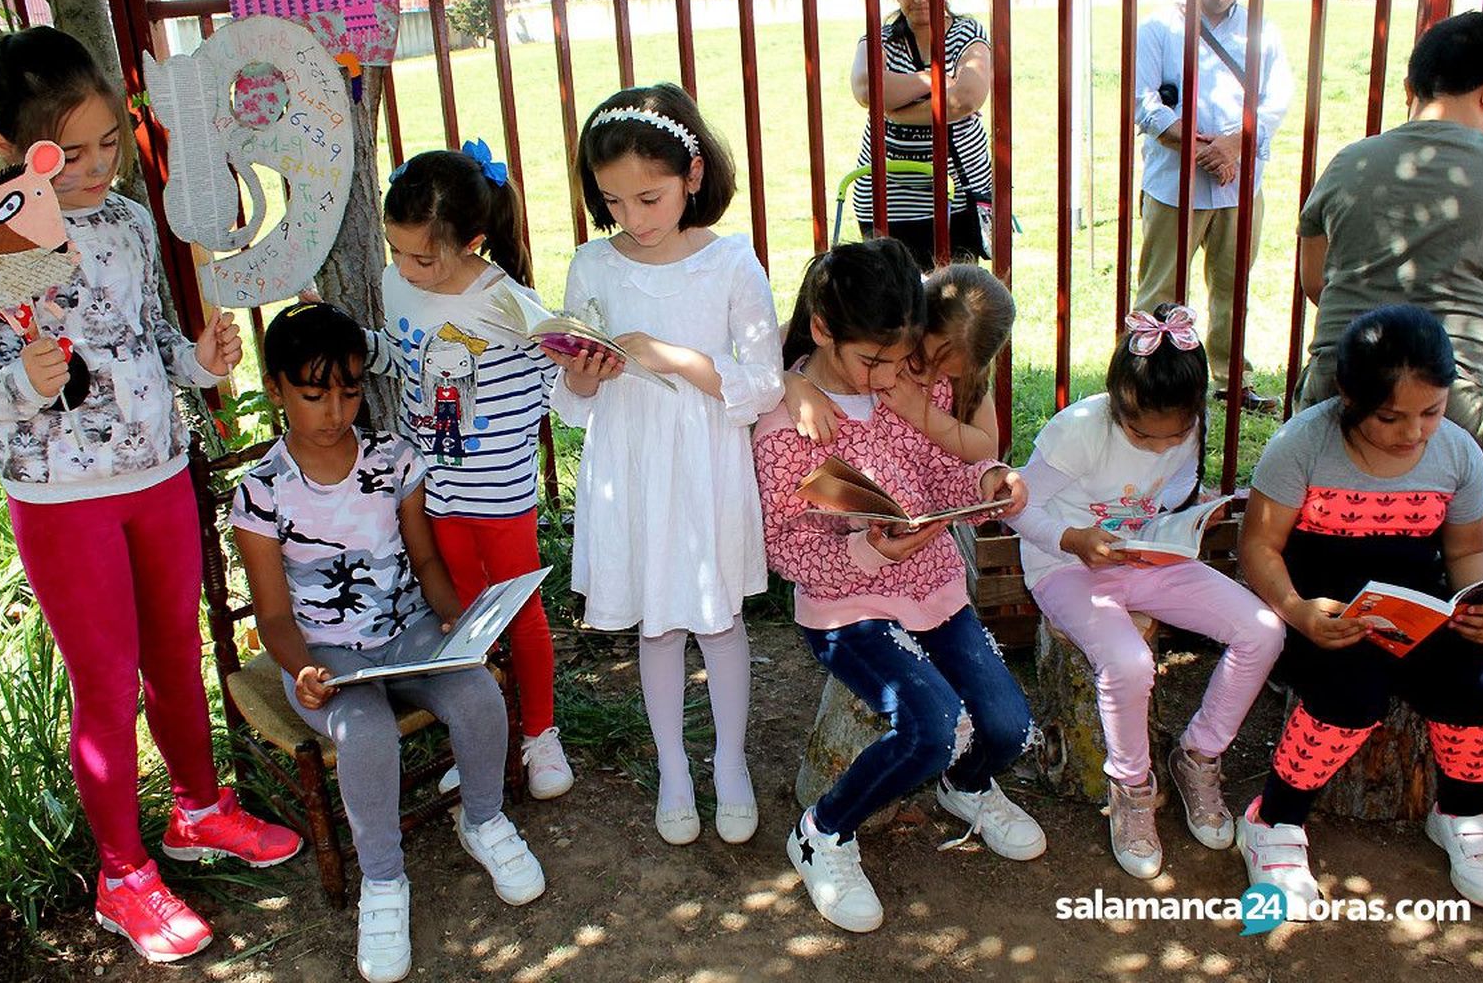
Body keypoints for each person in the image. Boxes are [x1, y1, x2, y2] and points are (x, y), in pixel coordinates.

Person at [0, 26, 301, 963]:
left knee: (176, 654)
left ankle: (198, 809)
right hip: (64, 502)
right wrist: (21, 377)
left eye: (110, 144)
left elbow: (146, 339)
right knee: (106, 684)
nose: (100, 166)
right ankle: (123, 874)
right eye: (76, 151)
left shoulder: (131, 224)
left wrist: (198, 359)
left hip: (157, 477)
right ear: (14, 154)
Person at [231, 303, 546, 983]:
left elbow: (428, 561)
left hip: (409, 632)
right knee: (365, 730)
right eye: (314, 394)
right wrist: (305, 669)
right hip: (324, 656)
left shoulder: (392, 458)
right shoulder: (261, 491)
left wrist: (459, 625)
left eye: (348, 390)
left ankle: (484, 819)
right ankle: (383, 880)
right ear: (277, 386)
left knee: (475, 692)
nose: (334, 410)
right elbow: (276, 615)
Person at [754, 238, 1039, 934]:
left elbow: (940, 471)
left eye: (898, 355)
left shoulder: (905, 384)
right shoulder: (785, 423)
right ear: (823, 329)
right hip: (846, 610)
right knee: (932, 723)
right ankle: (822, 830)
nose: (887, 376)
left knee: (1008, 724)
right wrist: (871, 548)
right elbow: (786, 548)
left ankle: (966, 788)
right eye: (872, 361)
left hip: (934, 589)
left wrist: (985, 482)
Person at [552, 83, 783, 846]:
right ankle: (675, 767)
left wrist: (672, 356)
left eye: (648, 197)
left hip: (706, 460)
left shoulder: (730, 261)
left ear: (690, 174)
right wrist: (586, 369)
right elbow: (572, 395)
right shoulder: (593, 263)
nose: (634, 219)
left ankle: (730, 762)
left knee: (718, 620)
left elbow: (763, 379)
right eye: (614, 202)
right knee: (658, 623)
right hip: (632, 465)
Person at [1238, 305, 1483, 918]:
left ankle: (1462, 813)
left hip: (1416, 612)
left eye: (1432, 412)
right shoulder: (1303, 444)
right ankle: (1274, 819)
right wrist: (1295, 609)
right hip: (1323, 614)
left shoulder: (1458, 455)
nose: (1414, 433)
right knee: (1350, 693)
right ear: (1348, 396)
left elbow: (1469, 550)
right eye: (1391, 416)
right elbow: (1257, 547)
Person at [1009, 304, 1283, 879]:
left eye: (1176, 434)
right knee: (1129, 664)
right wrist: (1073, 537)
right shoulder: (1078, 430)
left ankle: (1198, 755)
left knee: (1263, 631)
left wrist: (1179, 521)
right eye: (1141, 434)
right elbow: (1017, 507)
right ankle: (1131, 787)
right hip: (1064, 565)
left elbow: (1175, 486)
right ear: (1116, 400)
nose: (1161, 446)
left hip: (1144, 556)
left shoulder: (1188, 427)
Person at [365, 143, 570, 800]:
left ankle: (540, 732)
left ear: (473, 241)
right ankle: (485, 733)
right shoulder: (401, 282)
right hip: (437, 490)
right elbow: (403, 358)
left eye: (423, 257)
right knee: (459, 613)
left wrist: (586, 369)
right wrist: (357, 346)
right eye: (396, 251)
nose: (405, 268)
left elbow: (562, 382)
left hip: (502, 495)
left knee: (518, 612)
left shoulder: (509, 303)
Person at [1296, 10, 1483, 452]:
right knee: (1443, 513)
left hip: (1341, 377)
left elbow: (1316, 282)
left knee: (1321, 510)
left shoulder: (1349, 162)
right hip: (1450, 396)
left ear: (1411, 87)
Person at [1133, 0, 1292, 414]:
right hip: (1173, 183)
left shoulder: (1262, 30)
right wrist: (1207, 149)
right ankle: (1147, 379)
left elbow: (1275, 101)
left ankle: (1230, 379)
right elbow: (1144, 104)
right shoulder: (1158, 28)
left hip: (1240, 182)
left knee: (1232, 285)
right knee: (1161, 288)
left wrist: (1234, 145)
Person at [783, 262, 1014, 461]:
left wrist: (917, 410)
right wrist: (793, 383)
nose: (930, 376)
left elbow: (987, 450)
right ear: (913, 322)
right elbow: (767, 351)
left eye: (952, 374)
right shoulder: (885, 312)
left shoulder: (969, 342)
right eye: (923, 357)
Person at [850, 0, 994, 269]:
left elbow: (967, 97)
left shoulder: (968, 32)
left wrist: (897, 112)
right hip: (888, 199)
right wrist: (934, 79)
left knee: (955, 303)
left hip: (958, 192)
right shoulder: (881, 37)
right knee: (898, 303)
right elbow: (866, 89)